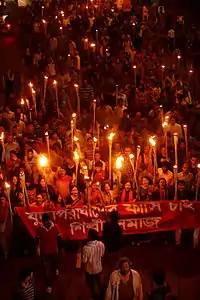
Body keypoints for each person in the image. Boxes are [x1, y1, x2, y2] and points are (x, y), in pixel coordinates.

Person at [36, 213, 61, 294]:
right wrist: (38, 250)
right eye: (45, 221)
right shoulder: (39, 229)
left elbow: (59, 238)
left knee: (54, 266)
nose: (47, 222)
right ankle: (49, 286)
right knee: (47, 271)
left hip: (54, 251)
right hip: (44, 253)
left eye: (48, 220)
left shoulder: (56, 227)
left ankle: (56, 269)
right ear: (43, 221)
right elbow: (37, 241)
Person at [82, 229, 105, 300]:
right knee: (99, 282)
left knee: (92, 284)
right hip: (99, 268)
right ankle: (103, 295)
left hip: (89, 269)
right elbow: (102, 254)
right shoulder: (101, 244)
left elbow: (84, 260)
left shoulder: (86, 248)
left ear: (89, 237)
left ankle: (95, 297)